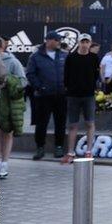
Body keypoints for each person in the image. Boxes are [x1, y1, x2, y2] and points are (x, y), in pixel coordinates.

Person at [26, 30, 69, 160]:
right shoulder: (35, 57)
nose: (59, 42)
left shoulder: (64, 55)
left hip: (61, 95)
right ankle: (40, 148)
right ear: (48, 41)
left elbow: (70, 72)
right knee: (41, 123)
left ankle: (59, 147)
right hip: (43, 96)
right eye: (56, 40)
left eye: (59, 40)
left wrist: (67, 87)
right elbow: (30, 74)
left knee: (60, 122)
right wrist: (40, 87)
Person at [63, 34, 100, 164]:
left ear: (90, 44)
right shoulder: (71, 57)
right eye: (82, 42)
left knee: (90, 123)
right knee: (73, 124)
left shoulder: (94, 58)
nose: (84, 44)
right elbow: (66, 75)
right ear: (78, 43)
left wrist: (92, 87)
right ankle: (70, 152)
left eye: (87, 42)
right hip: (73, 95)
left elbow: (96, 75)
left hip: (88, 95)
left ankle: (89, 150)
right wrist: (69, 88)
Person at [0, 37, 27, 178]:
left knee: (7, 132)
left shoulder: (13, 62)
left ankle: (4, 162)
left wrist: (8, 81)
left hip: (7, 103)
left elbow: (23, 81)